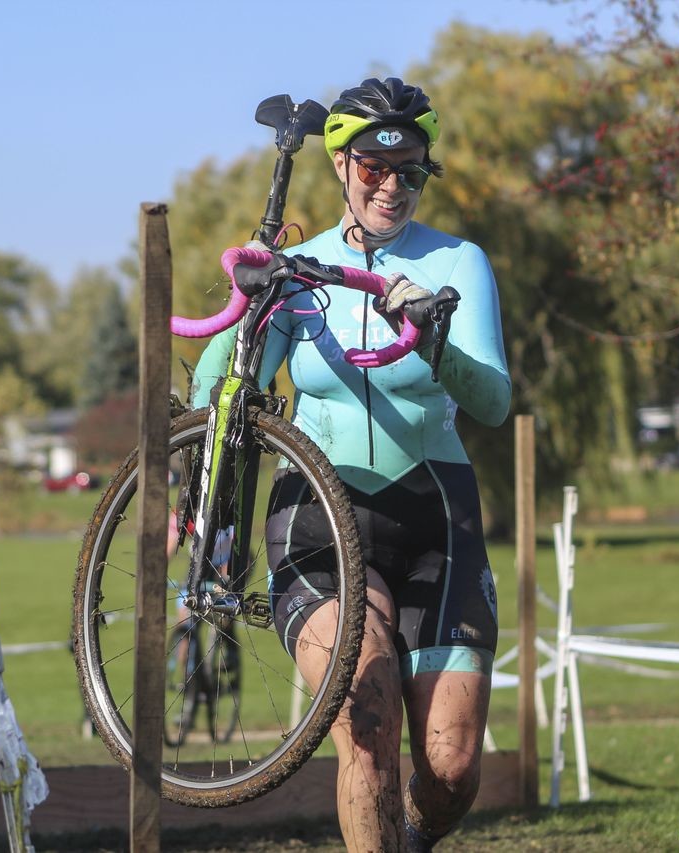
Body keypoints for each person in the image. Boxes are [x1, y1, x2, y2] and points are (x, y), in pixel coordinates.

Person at [190, 77, 511, 851]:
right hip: (321, 513)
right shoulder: (296, 268)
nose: (391, 186)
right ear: (340, 165)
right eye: (373, 167)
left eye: (409, 171)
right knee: (368, 727)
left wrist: (431, 335)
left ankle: (405, 835)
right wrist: (248, 303)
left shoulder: (457, 262)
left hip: (436, 511)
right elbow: (212, 395)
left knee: (452, 765)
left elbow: (494, 400)